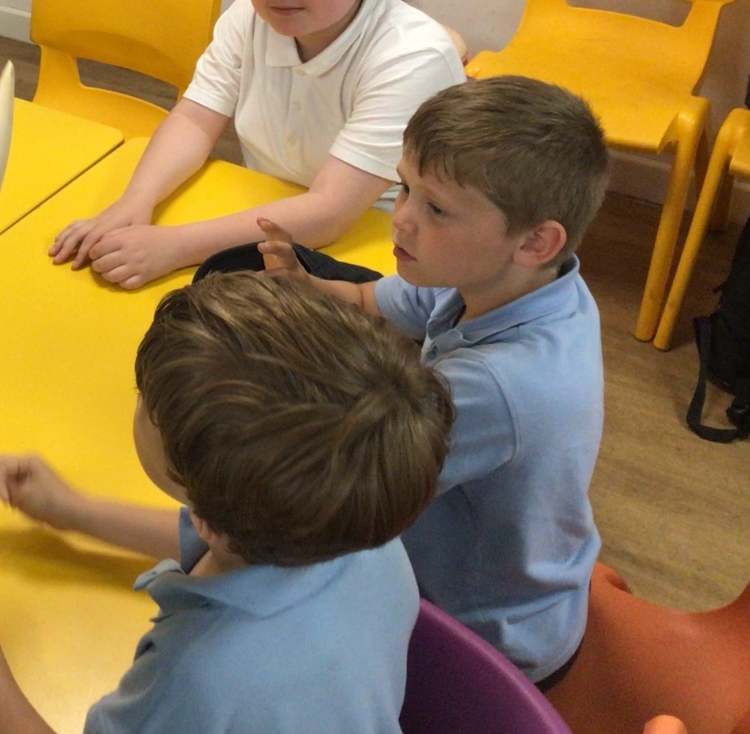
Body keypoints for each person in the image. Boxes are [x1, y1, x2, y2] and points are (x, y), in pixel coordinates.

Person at [0, 274, 454, 734]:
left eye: (147, 402)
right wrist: (74, 511)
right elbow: (210, 540)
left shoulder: (197, 679)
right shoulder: (359, 520)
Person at [258, 75, 608, 689]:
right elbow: (370, 301)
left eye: (436, 208)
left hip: (483, 639)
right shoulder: (507, 279)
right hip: (512, 576)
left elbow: (334, 499)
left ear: (535, 241)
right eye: (404, 188)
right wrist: (305, 287)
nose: (401, 220)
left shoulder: (496, 386)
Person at [51, 0, 466, 288]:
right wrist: (135, 202)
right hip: (265, 212)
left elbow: (330, 212)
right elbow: (195, 118)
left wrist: (173, 246)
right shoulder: (252, 14)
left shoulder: (412, 57)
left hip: (377, 246)